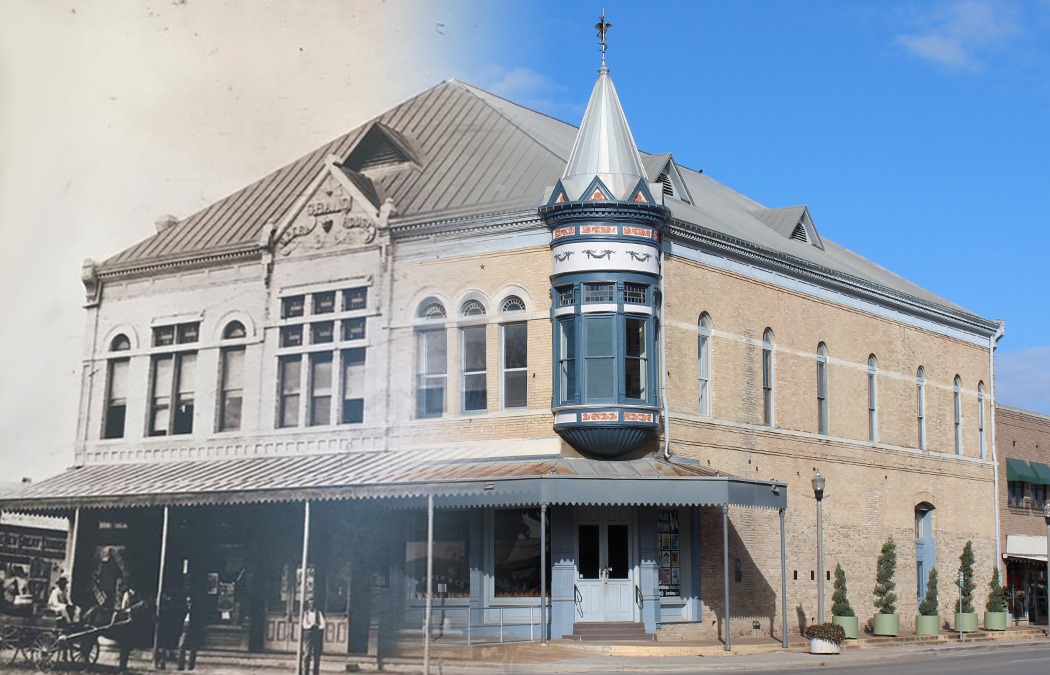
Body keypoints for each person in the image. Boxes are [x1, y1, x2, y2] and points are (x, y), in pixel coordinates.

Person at [300, 599, 326, 675]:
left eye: (313, 604)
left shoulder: (318, 613)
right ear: (308, 605)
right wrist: (310, 625)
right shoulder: (306, 613)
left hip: (316, 633)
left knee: (316, 654)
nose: (311, 605)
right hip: (308, 633)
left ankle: (315, 673)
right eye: (310, 604)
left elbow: (323, 624)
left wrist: (317, 626)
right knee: (307, 654)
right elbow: (304, 624)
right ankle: (306, 672)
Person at [177, 595, 200, 671]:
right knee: (181, 646)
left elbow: (198, 621)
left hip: (193, 629)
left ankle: (191, 665)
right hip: (184, 629)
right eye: (187, 602)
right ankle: (180, 665)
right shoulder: (183, 610)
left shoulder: (195, 611)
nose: (189, 604)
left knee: (193, 648)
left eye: (190, 602)